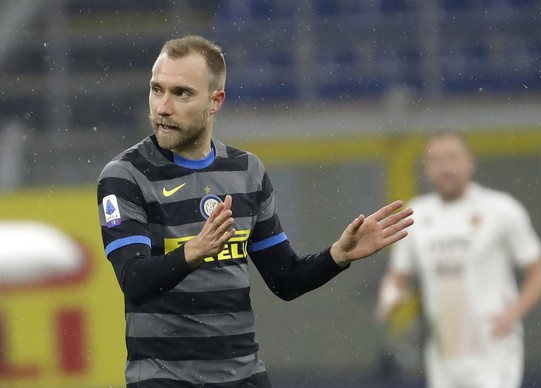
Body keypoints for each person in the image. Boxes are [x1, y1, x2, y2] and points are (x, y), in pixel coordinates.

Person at [97, 35, 414, 388]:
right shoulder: (126, 175)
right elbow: (134, 280)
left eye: (181, 93)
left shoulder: (246, 171)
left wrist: (337, 256)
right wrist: (192, 252)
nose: (163, 107)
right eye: (157, 90)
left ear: (215, 101)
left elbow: (285, 279)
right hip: (164, 377)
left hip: (242, 374)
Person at [375, 131, 541, 388]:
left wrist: (511, 314)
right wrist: (390, 296)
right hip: (444, 351)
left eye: (452, 157)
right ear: (426, 169)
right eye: (436, 160)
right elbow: (399, 276)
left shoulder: (501, 210)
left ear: (470, 161)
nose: (445, 167)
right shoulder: (416, 215)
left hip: (493, 348)